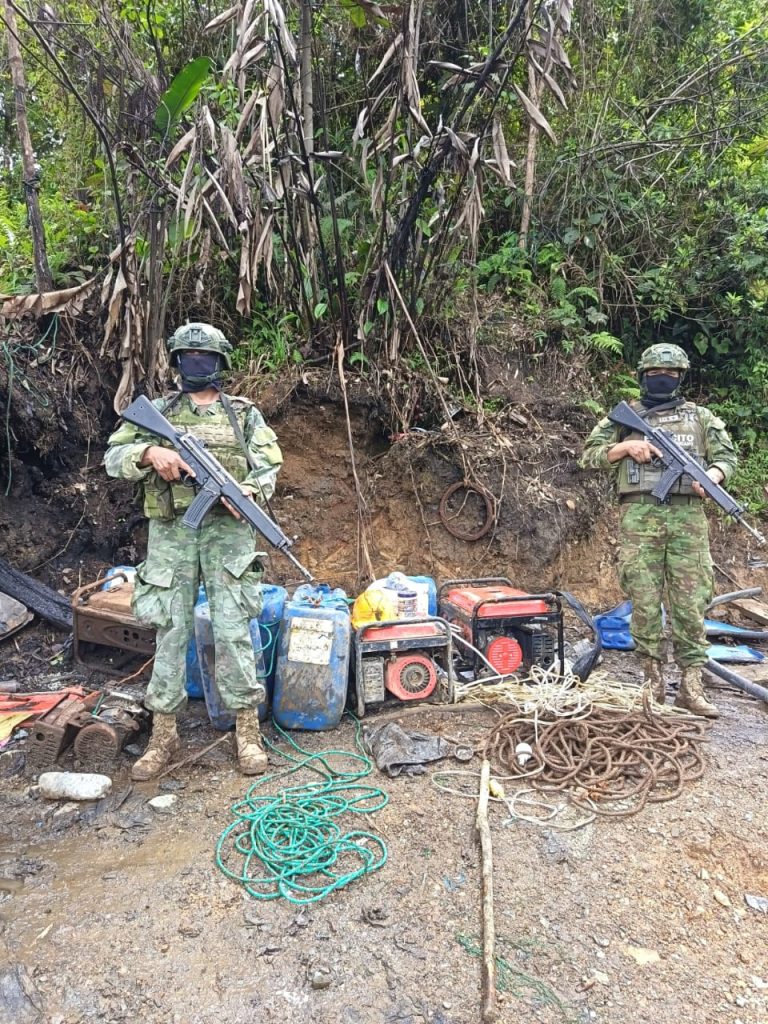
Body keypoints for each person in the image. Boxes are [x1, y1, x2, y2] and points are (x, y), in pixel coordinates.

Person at [104, 323, 283, 779]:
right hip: (172, 534)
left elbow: (269, 466)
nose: (196, 364)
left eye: (204, 358)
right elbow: (113, 457)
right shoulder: (159, 410)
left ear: (220, 362)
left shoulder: (243, 415)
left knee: (234, 631)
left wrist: (248, 490)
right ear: (177, 361)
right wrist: (150, 452)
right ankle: (163, 734)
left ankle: (247, 731)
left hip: (228, 535)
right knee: (170, 631)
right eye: (188, 357)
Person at [580, 343, 738, 717]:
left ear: (681, 377)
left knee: (691, 604)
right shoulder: (626, 416)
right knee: (645, 601)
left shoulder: (701, 417)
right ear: (643, 376)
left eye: (669, 374)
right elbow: (588, 456)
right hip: (640, 518)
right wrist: (626, 447)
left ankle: (691, 687)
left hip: (688, 520)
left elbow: (727, 458)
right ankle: (651, 682)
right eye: (654, 373)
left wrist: (712, 476)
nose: (662, 379)